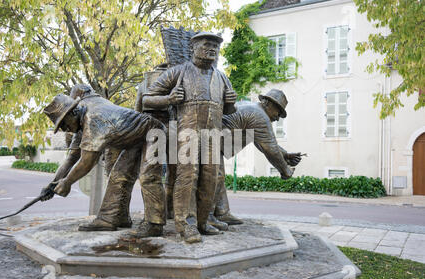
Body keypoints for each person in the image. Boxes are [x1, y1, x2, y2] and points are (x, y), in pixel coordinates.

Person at [142, 31, 237, 243]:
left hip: (212, 134)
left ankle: (204, 221)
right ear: (193, 48)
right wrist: (169, 98)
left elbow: (229, 111)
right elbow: (147, 100)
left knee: (211, 178)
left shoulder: (221, 77)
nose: (212, 49)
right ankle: (186, 224)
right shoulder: (178, 72)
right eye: (206, 44)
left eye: (215, 46)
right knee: (188, 177)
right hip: (186, 133)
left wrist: (231, 102)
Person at [41, 90, 166, 231]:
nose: (64, 129)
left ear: (73, 113)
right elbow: (72, 157)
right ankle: (114, 217)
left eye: (63, 123)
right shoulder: (80, 121)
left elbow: (87, 162)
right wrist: (52, 185)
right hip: (135, 140)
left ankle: (154, 224)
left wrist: (67, 182)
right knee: (118, 177)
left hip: (154, 133)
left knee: (148, 177)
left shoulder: (93, 119)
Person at [211, 89, 301, 226]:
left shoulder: (251, 107)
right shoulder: (260, 116)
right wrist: (286, 171)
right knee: (215, 177)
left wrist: (285, 154)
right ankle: (208, 217)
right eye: (278, 112)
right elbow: (269, 148)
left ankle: (222, 213)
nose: (278, 118)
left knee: (218, 177)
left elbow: (262, 142)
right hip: (211, 143)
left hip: (212, 140)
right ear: (268, 104)